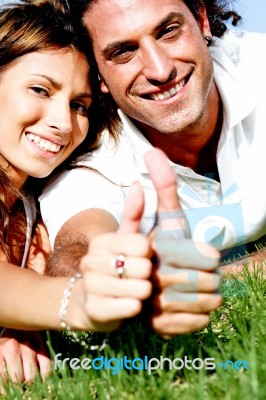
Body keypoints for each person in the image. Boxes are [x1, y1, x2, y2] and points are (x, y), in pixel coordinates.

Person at [40, 0, 266, 277]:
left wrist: (216, 278)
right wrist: (102, 274)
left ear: (202, 21)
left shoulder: (258, 66)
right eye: (123, 52)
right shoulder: (95, 161)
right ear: (97, 72)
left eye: (169, 31)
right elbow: (78, 256)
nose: (160, 70)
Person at [0, 0, 157, 390]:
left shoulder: (30, 209)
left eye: (78, 105)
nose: (62, 122)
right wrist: (76, 301)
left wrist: (24, 327)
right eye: (39, 89)